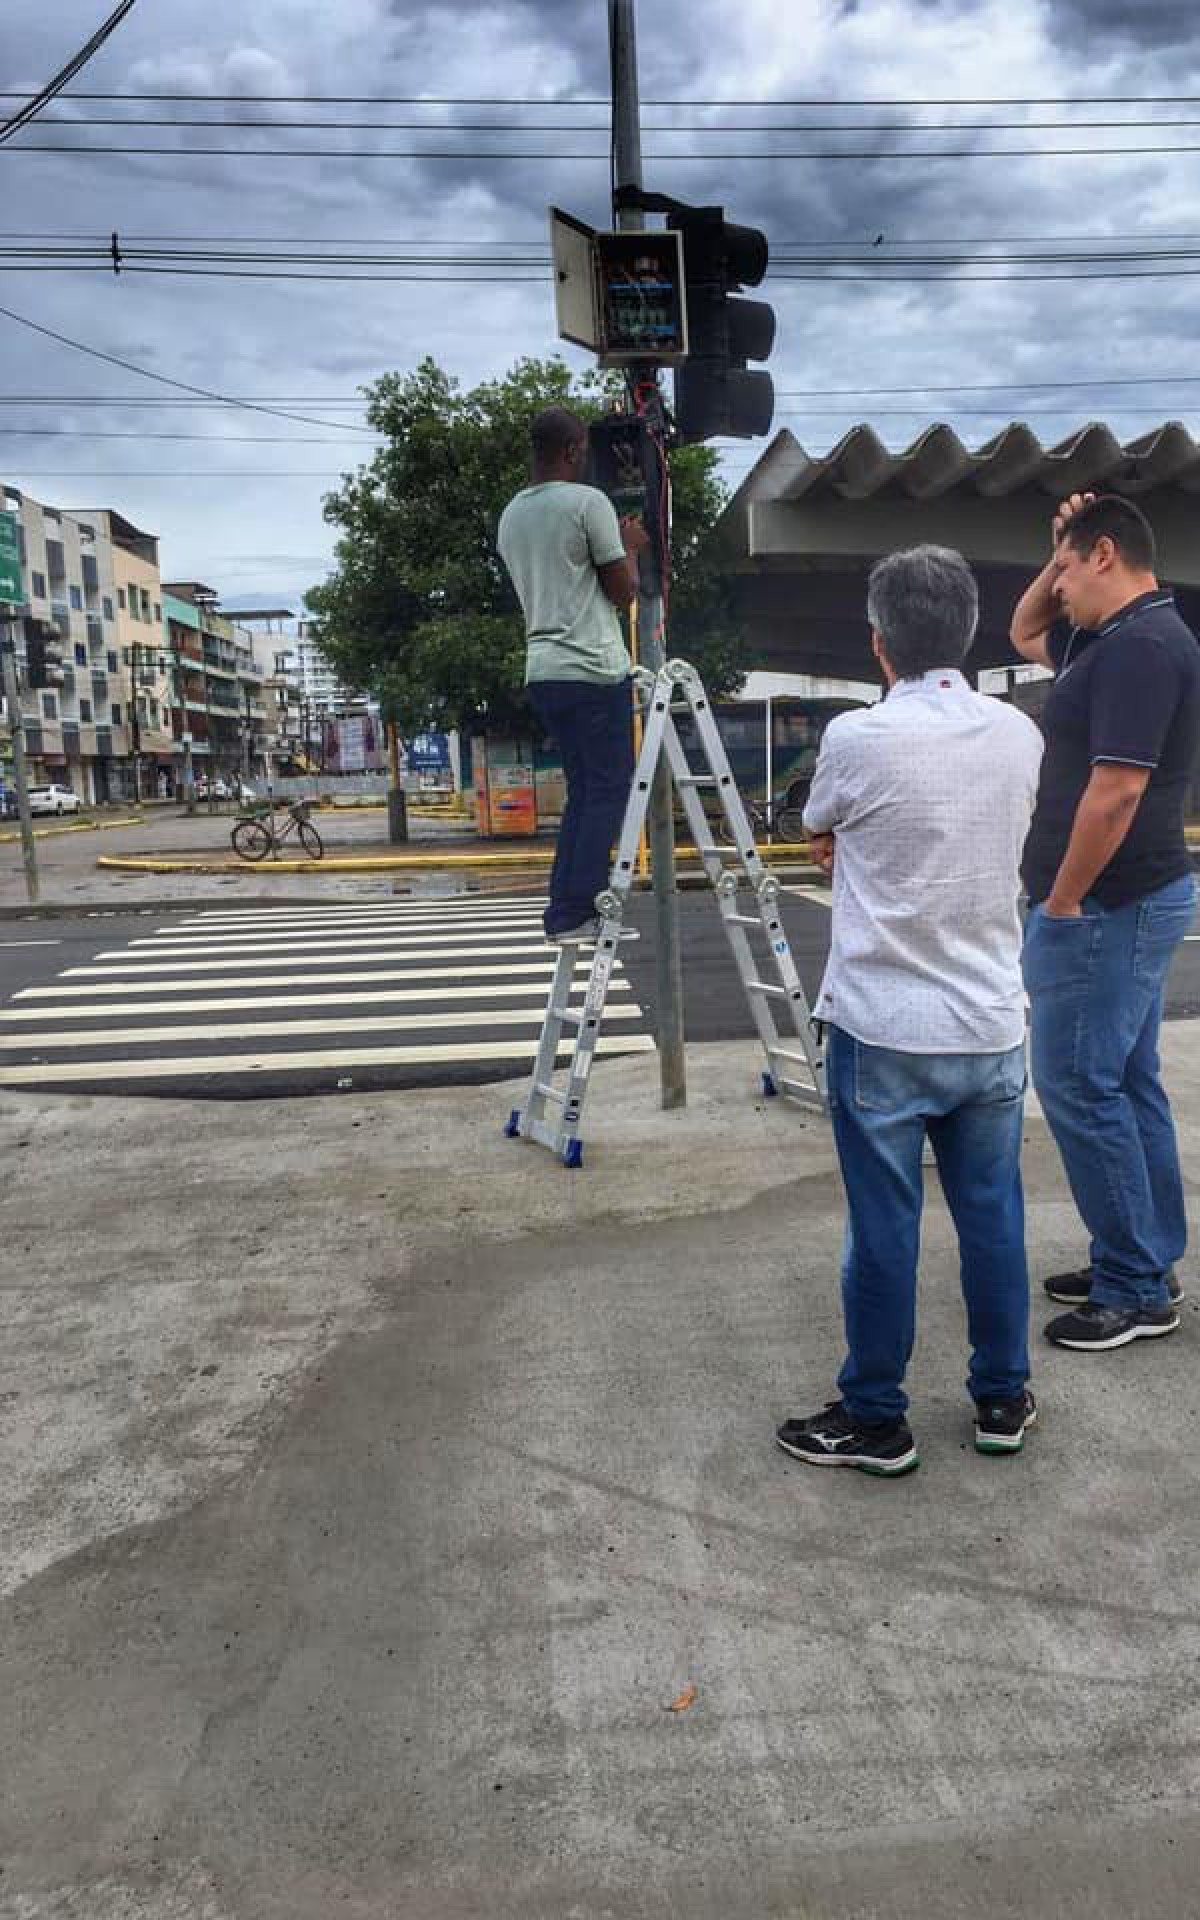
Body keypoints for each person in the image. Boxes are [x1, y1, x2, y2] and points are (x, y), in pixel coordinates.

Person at [776, 547, 1044, 1477]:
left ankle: (877, 1419)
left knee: (884, 1226)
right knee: (993, 1217)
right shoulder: (1018, 736)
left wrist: (844, 846)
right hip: (990, 1026)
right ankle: (1003, 1397)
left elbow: (820, 825)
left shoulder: (856, 737)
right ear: (967, 632)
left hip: (883, 1026)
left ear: (879, 644)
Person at [1012, 492, 1200, 1352]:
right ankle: (1142, 1253)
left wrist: (1061, 899)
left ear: (1107, 554)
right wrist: (1056, 550)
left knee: (1079, 1086)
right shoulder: (1116, 638)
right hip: (1121, 900)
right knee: (1125, 1084)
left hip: (1105, 903)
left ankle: (1135, 1285)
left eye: (1070, 570)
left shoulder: (1144, 650)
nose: (1060, 592)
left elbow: (1118, 789)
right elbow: (1021, 633)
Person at [498, 407, 649, 942]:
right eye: (582, 450)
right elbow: (622, 590)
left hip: (544, 670)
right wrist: (630, 547)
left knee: (586, 792)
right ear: (572, 449)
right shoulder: (589, 504)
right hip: (592, 667)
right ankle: (573, 913)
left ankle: (565, 911)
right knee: (607, 791)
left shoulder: (512, 515)